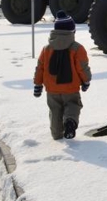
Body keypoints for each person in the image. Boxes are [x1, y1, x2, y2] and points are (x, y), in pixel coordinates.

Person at [33, 11, 91, 140]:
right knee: (73, 105)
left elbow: (40, 68)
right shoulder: (77, 48)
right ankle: (70, 122)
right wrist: (86, 81)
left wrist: (37, 84)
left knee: (55, 111)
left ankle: (56, 135)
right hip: (71, 88)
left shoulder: (47, 49)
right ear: (72, 32)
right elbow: (82, 67)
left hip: (52, 90)